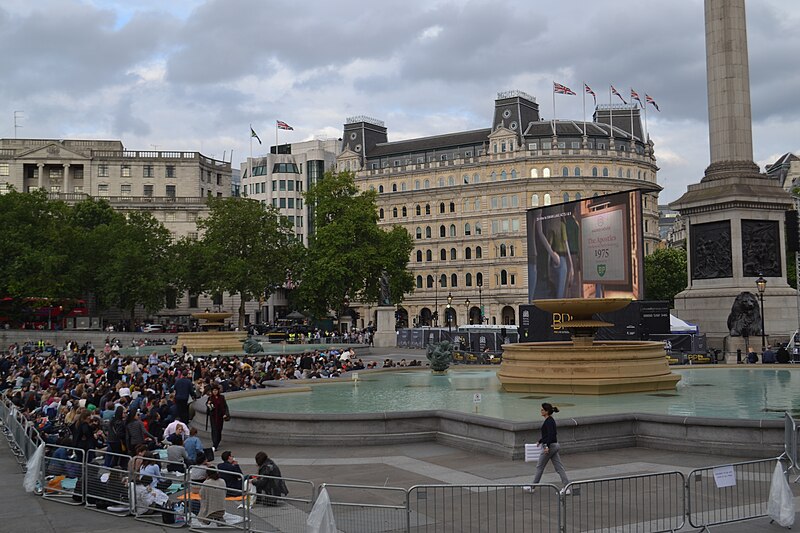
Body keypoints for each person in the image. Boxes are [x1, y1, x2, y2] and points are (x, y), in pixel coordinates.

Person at [524, 402, 570, 494]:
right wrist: (540, 441)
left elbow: (551, 435)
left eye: (542, 410)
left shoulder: (548, 421)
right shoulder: (550, 420)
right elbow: (549, 434)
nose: (541, 411)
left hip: (550, 447)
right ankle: (567, 488)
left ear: (547, 411)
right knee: (559, 468)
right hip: (554, 445)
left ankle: (532, 487)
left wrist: (547, 446)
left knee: (540, 467)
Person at [206, 385, 229, 450]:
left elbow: (225, 406)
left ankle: (217, 441)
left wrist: (225, 414)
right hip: (213, 416)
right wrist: (209, 404)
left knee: (219, 430)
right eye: (213, 390)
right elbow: (209, 408)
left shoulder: (221, 397)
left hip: (220, 416)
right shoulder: (210, 398)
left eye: (216, 390)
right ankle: (214, 444)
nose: (215, 392)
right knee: (214, 430)